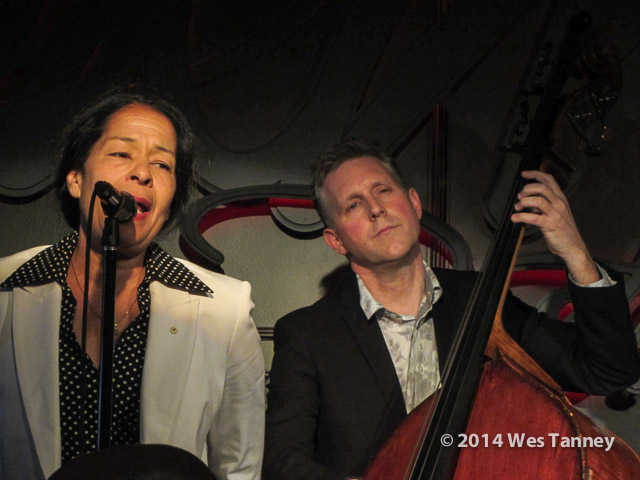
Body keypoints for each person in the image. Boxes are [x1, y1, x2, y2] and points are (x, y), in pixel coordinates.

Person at [263, 139, 640, 480]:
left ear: (413, 204)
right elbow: (283, 465)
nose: (376, 209)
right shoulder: (307, 333)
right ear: (335, 240)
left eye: (384, 191)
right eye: (354, 205)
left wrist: (576, 253)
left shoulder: (481, 299)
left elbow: (608, 371)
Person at [0, 87, 265, 480]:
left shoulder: (225, 308)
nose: (142, 172)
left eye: (162, 164)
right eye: (122, 154)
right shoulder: (7, 288)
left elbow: (239, 466)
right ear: (76, 179)